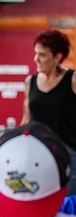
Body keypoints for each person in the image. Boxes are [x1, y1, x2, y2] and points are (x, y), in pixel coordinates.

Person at [22, 29, 76, 195]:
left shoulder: (73, 80)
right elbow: (26, 118)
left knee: (68, 206)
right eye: (35, 53)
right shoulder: (30, 82)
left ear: (58, 57)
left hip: (69, 157)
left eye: (42, 55)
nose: (36, 59)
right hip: (37, 155)